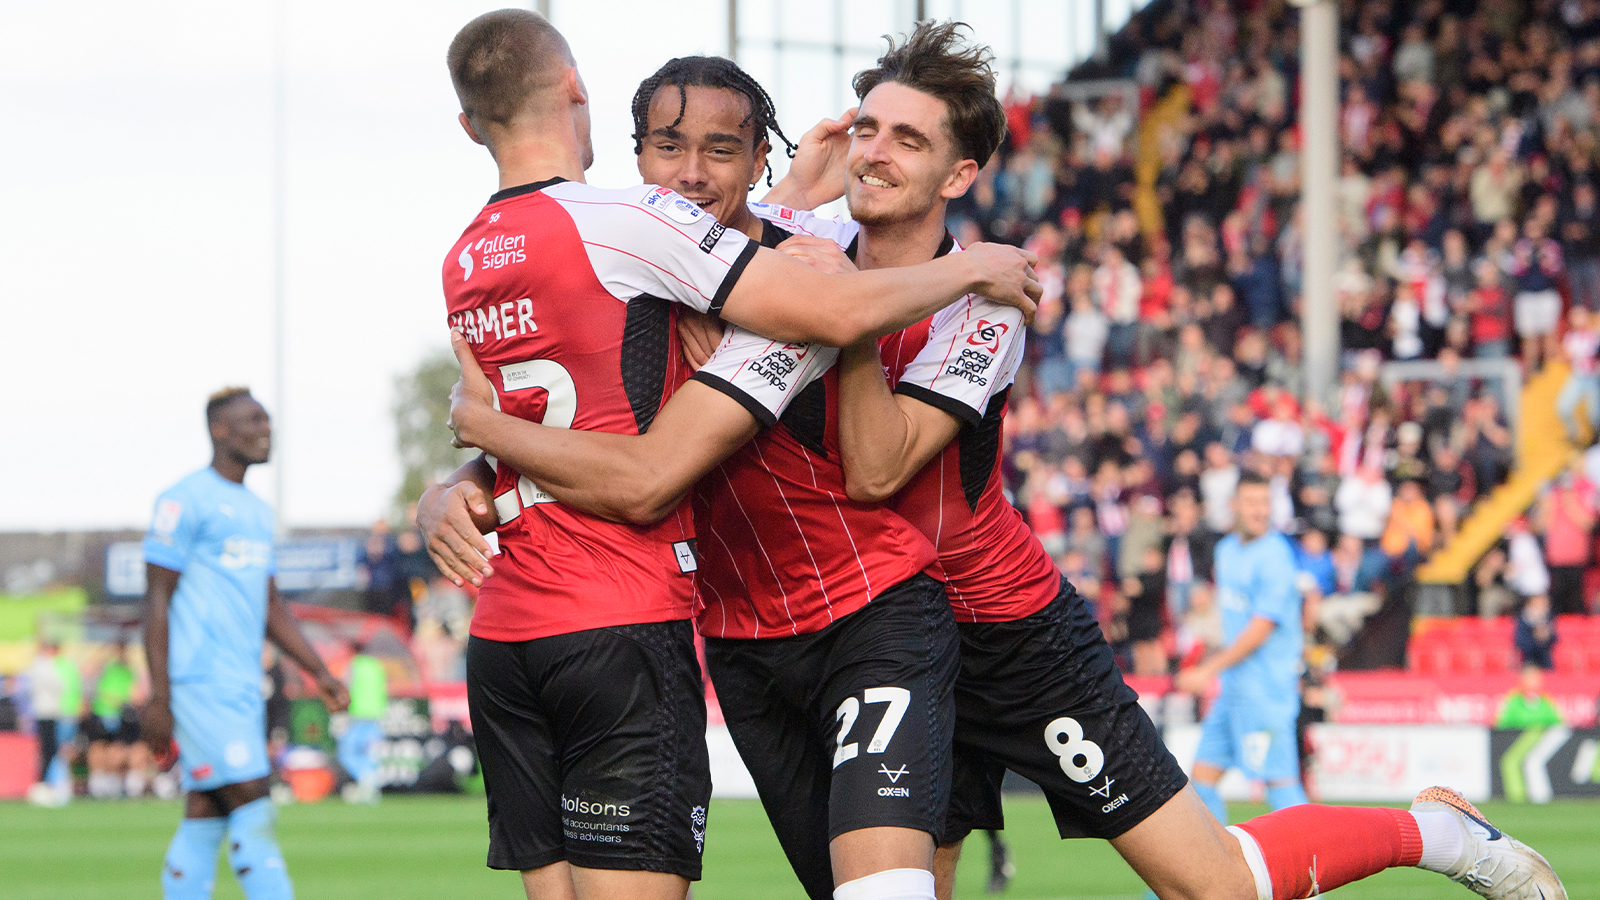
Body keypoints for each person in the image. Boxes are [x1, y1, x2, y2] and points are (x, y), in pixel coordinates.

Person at [433, 20, 1567, 900]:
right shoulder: (778, 255)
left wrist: (840, 301)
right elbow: (573, 379)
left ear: (960, 175)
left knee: (1212, 881)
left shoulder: (990, 301)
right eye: (866, 128)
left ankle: (1439, 834)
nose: (876, 153)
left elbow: (877, 470)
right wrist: (459, 481)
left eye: (909, 140)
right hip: (788, 638)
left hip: (996, 627)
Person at [430, 13, 1038, 900]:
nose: (688, 172)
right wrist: (972, 267)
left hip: (564, 632)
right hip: (650, 628)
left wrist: (460, 465)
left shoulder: (469, 260)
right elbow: (640, 466)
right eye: (667, 148)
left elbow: (516, 396)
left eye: (721, 150)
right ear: (591, 110)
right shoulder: (639, 237)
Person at [142, 387, 349, 900]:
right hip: (198, 679)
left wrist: (317, 670)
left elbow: (271, 607)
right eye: (253, 420)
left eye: (268, 420)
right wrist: (160, 696)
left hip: (237, 681)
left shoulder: (256, 512)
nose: (266, 429)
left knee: (206, 809)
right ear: (220, 429)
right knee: (253, 802)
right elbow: (156, 600)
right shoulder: (183, 500)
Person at [1177, 472, 1309, 819]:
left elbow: (1259, 629)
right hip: (1233, 690)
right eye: (1251, 502)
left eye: (1265, 502)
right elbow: (1232, 620)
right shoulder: (1226, 551)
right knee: (1201, 781)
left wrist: (1207, 669)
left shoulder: (1276, 557)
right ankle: (1220, 870)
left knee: (1280, 784)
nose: (1259, 510)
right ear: (1233, 506)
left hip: (1267, 692)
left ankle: (1316, 870)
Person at [24, 638, 77, 806]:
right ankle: (44, 785)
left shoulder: (38, 665)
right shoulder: (45, 665)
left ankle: (46, 784)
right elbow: (59, 686)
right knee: (49, 748)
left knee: (49, 748)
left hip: (46, 712)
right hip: (48, 712)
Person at [338, 641, 387, 804]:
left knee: (347, 752)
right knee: (370, 752)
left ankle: (366, 781)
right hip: (376, 714)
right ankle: (369, 786)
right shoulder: (376, 665)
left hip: (358, 714)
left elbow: (345, 688)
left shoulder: (354, 666)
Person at [1495, 665, 1565, 730]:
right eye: (1528, 679)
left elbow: (1560, 726)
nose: (1531, 683)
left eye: (1534, 679)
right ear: (1521, 680)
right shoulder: (1512, 701)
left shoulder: (1546, 701)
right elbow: (1501, 728)